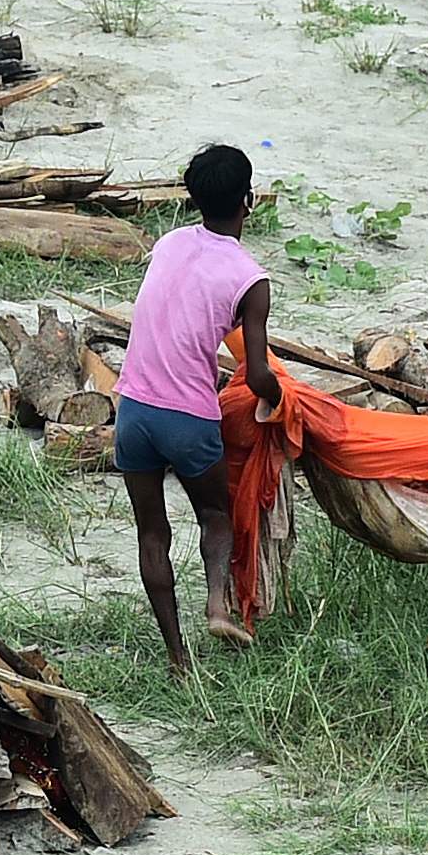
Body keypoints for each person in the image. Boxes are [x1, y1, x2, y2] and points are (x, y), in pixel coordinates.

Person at [114, 144, 284, 674]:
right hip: (188, 415)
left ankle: (176, 657)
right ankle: (216, 603)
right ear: (248, 201)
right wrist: (281, 400)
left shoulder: (168, 243)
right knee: (214, 513)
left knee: (151, 534)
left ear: (193, 196)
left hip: (134, 409)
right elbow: (256, 375)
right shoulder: (250, 278)